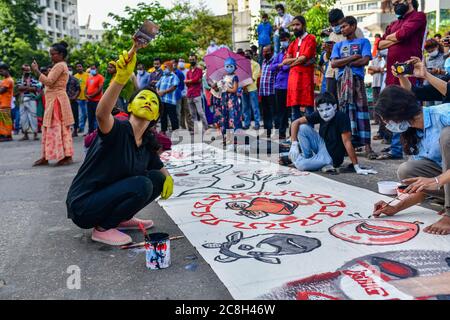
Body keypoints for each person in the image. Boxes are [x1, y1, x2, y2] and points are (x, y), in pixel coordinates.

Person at [66, 44, 174, 246]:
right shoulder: (118, 129)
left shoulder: (147, 141)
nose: (148, 101)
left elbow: (157, 164)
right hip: (85, 205)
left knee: (156, 179)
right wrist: (120, 80)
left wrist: (169, 179)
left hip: (107, 199)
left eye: (154, 101)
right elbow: (101, 114)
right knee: (142, 184)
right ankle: (103, 228)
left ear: (157, 115)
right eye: (143, 97)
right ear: (130, 106)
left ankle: (121, 219)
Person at [373, 85, 450, 235]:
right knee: (408, 170)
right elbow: (423, 188)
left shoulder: (444, 114)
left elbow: (433, 182)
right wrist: (396, 207)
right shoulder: (413, 133)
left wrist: (437, 180)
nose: (389, 126)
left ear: (400, 113)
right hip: (444, 180)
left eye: (388, 120)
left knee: (447, 136)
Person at [377, 0, 426, 161]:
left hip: (410, 72)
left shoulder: (418, 17)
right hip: (392, 74)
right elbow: (379, 45)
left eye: (399, 1)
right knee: (393, 109)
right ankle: (397, 148)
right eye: (394, 2)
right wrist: (396, 37)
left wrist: (394, 38)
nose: (396, 4)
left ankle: (416, 146)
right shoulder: (393, 23)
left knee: (410, 108)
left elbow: (403, 34)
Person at [289, 92, 377, 175]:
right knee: (302, 128)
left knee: (301, 165)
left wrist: (356, 167)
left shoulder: (341, 117)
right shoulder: (320, 114)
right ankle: (307, 157)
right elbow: (295, 123)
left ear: (334, 107)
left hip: (331, 155)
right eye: (321, 110)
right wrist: (294, 144)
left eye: (328, 109)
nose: (325, 113)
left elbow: (347, 142)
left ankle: (298, 159)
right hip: (322, 144)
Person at [330, 16, 376, 159]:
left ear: (353, 26)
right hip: (342, 81)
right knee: (345, 112)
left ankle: (367, 146)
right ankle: (348, 146)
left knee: (361, 110)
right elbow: (333, 64)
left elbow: (364, 60)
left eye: (344, 26)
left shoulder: (364, 42)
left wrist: (345, 62)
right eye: (340, 27)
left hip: (356, 80)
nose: (341, 29)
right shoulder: (338, 45)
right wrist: (352, 58)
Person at [31, 41, 75, 166]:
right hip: (54, 100)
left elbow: (49, 82)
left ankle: (65, 156)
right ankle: (47, 156)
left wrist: (37, 71)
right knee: (50, 127)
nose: (51, 56)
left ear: (61, 54)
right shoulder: (59, 65)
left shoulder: (60, 65)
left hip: (57, 101)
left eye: (53, 54)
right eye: (50, 54)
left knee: (56, 128)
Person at [323, 8, 364, 100]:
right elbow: (329, 59)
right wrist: (329, 51)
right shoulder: (332, 35)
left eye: (337, 24)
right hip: (331, 73)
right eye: (333, 25)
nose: (335, 28)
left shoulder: (356, 31)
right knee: (331, 101)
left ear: (343, 19)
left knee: (348, 100)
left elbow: (359, 52)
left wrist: (337, 50)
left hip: (349, 72)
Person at [282, 15, 316, 121]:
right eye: (293, 25)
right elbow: (285, 61)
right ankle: (294, 136)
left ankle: (308, 135)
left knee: (308, 109)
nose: (295, 27)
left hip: (305, 79)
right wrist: (297, 60)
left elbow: (305, 57)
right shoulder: (293, 43)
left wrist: (292, 62)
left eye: (297, 24)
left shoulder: (311, 38)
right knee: (294, 110)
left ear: (304, 25)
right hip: (293, 80)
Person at [214, 57, 241, 143]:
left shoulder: (235, 77)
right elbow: (219, 89)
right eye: (227, 66)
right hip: (224, 100)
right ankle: (226, 138)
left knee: (233, 118)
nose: (229, 68)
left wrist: (226, 89)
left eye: (231, 66)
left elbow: (234, 89)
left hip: (232, 100)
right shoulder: (223, 77)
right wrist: (217, 87)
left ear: (234, 67)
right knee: (224, 118)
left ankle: (235, 138)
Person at [270, 31, 291, 139]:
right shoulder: (279, 54)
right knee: (281, 110)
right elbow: (271, 67)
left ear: (289, 40)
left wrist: (281, 66)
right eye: (282, 41)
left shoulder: (291, 53)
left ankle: (292, 134)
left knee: (291, 111)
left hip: (289, 85)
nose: (283, 43)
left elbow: (287, 67)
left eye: (285, 40)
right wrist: (281, 64)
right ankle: (282, 133)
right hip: (279, 86)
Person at [16, 64, 41, 141]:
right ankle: (25, 134)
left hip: (31, 100)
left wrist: (24, 88)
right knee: (23, 117)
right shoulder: (19, 80)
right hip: (22, 100)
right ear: (22, 71)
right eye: (25, 70)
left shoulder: (34, 80)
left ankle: (35, 134)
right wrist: (29, 87)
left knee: (33, 116)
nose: (27, 71)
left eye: (28, 70)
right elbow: (19, 88)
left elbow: (35, 89)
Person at [368, 52, 389, 142]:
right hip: (376, 85)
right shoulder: (374, 60)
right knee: (377, 106)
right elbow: (369, 70)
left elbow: (386, 68)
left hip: (385, 85)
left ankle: (385, 134)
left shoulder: (388, 58)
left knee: (385, 109)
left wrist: (379, 69)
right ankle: (381, 132)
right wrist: (379, 69)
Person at [185, 54, 208, 131]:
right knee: (192, 114)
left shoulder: (199, 70)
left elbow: (197, 79)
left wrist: (189, 81)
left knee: (200, 112)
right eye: (190, 60)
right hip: (189, 94)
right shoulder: (188, 72)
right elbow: (188, 83)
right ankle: (196, 129)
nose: (191, 61)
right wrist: (191, 81)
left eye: (193, 59)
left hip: (197, 94)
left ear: (196, 60)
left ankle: (206, 128)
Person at [156, 61, 180, 135]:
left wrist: (163, 92)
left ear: (170, 67)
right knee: (163, 116)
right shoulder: (163, 77)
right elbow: (157, 85)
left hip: (170, 101)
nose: (165, 68)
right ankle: (163, 130)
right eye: (164, 67)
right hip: (162, 100)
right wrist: (158, 92)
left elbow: (174, 87)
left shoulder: (174, 76)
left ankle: (175, 131)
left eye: (166, 67)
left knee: (173, 117)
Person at [259, 45, 277, 137]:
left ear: (272, 52)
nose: (265, 53)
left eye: (267, 52)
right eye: (263, 52)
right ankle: (267, 132)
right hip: (263, 92)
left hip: (272, 92)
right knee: (265, 113)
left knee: (274, 113)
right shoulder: (264, 61)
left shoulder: (275, 61)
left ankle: (277, 133)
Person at [242, 50, 261, 130]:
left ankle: (257, 123)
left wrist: (245, 85)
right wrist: (243, 87)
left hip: (252, 89)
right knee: (245, 108)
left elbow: (253, 78)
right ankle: (247, 124)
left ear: (252, 55)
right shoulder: (242, 65)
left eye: (248, 54)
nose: (246, 55)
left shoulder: (256, 65)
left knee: (255, 107)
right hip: (243, 89)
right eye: (245, 54)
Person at [85, 64, 104, 134]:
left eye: (94, 68)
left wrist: (92, 96)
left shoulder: (100, 77)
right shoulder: (90, 77)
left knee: (96, 117)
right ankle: (90, 132)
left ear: (97, 69)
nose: (92, 70)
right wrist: (86, 95)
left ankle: (97, 132)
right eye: (91, 69)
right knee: (90, 117)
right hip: (89, 101)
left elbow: (100, 88)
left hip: (97, 101)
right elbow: (86, 88)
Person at [177, 58, 193, 131]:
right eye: (180, 61)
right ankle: (182, 127)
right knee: (180, 111)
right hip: (179, 94)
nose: (181, 63)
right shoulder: (176, 72)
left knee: (188, 111)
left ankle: (190, 127)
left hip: (187, 93)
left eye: (183, 61)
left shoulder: (188, 71)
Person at [0, 63, 14, 142]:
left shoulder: (8, 80)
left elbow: (2, 91)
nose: (0, 73)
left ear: (6, 70)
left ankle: (6, 135)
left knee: (5, 121)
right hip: (3, 103)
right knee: (4, 121)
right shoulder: (5, 80)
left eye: (1, 71)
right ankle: (7, 135)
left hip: (5, 103)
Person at [74, 63, 89, 134]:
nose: (79, 68)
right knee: (80, 114)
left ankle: (86, 128)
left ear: (82, 67)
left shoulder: (87, 75)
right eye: (77, 67)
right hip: (79, 98)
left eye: (80, 66)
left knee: (86, 114)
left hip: (86, 97)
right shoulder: (75, 76)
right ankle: (81, 127)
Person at [66, 69, 81, 137]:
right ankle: (66, 131)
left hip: (73, 101)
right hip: (64, 101)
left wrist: (74, 97)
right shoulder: (61, 79)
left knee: (75, 116)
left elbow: (78, 89)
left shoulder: (74, 79)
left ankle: (75, 131)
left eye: (69, 70)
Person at [171, 58, 185, 127]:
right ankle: (172, 126)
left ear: (176, 64)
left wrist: (178, 90)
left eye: (173, 63)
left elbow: (182, 85)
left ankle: (178, 126)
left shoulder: (180, 73)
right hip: (169, 96)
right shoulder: (169, 73)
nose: (172, 64)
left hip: (177, 95)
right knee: (171, 112)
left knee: (178, 112)